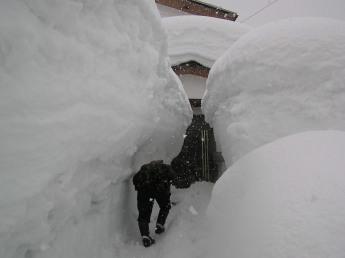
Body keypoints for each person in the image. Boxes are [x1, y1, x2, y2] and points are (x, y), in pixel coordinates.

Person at [133, 160, 176, 247]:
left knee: (143, 214)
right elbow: (173, 177)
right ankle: (159, 225)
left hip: (144, 189)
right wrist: (166, 187)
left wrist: (141, 189)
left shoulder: (144, 169)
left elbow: (135, 180)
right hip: (160, 189)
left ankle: (145, 236)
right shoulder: (166, 168)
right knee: (165, 206)